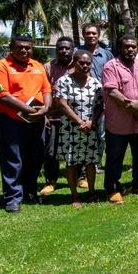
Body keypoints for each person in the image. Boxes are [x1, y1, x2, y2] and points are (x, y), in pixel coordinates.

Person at [0, 33, 52, 212]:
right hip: (12, 121)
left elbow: (46, 89)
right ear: (12, 49)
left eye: (28, 47)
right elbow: (2, 95)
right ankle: (12, 198)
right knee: (13, 159)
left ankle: (29, 192)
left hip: (37, 120)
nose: (24, 50)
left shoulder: (38, 66)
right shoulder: (1, 67)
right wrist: (29, 110)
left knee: (35, 157)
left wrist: (46, 108)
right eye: (20, 47)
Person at [102, 36, 138, 203]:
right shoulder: (110, 67)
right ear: (120, 48)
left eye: (133, 46)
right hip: (118, 122)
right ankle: (112, 188)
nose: (131, 50)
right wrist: (134, 109)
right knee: (115, 156)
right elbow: (112, 92)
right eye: (127, 46)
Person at [54, 49, 104, 208]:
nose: (84, 66)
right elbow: (62, 104)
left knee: (90, 161)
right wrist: (79, 122)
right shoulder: (64, 81)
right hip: (70, 129)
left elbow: (100, 105)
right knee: (71, 162)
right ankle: (75, 196)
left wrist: (92, 122)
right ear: (74, 63)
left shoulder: (96, 83)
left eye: (88, 63)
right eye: (81, 63)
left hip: (90, 129)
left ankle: (91, 192)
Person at [41, 36, 75, 196]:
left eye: (67, 48)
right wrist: (45, 114)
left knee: (76, 148)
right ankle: (51, 180)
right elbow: (41, 90)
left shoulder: (79, 65)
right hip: (53, 116)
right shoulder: (47, 68)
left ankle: (80, 177)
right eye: (60, 48)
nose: (64, 51)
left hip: (75, 116)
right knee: (50, 151)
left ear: (72, 49)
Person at [80, 22, 114, 171]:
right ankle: (81, 164)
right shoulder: (77, 52)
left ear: (98, 35)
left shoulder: (107, 54)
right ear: (83, 35)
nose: (91, 36)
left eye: (94, 33)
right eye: (88, 33)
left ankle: (96, 163)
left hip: (104, 100)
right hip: (82, 100)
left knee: (102, 133)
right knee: (84, 132)